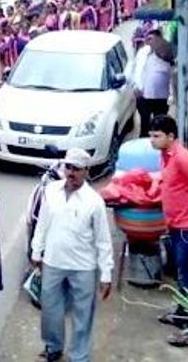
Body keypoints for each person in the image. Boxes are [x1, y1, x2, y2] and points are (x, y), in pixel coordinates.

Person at [30, 148, 113, 362]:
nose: (71, 173)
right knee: (50, 309)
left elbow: (103, 240)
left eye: (77, 168)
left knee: (83, 314)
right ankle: (53, 346)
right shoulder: (51, 191)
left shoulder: (94, 201)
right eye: (68, 167)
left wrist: (106, 274)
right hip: (53, 262)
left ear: (86, 171)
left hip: (83, 266)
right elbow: (42, 223)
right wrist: (36, 250)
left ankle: (79, 355)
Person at [148, 116, 188, 347]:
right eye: (151, 135)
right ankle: (181, 314)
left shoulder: (185, 159)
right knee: (181, 273)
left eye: (156, 136)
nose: (151, 140)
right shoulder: (166, 156)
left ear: (171, 137)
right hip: (177, 224)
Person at [131, 29, 173, 137]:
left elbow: (172, 75)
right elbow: (136, 70)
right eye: (148, 39)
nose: (149, 41)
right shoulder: (143, 52)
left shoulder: (166, 53)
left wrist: (171, 95)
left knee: (159, 125)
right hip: (144, 96)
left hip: (161, 97)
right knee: (145, 124)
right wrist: (136, 86)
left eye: (152, 39)